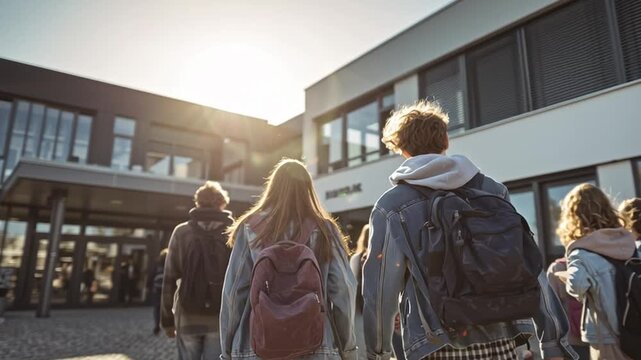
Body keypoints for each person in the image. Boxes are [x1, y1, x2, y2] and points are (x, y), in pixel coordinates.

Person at [363, 100, 576, 360]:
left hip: (437, 342)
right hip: (503, 335)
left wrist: (379, 352)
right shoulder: (492, 190)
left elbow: (381, 288)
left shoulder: (392, 205)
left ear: (403, 149)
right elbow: (530, 266)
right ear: (445, 142)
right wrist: (553, 341)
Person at [220, 159, 357, 360]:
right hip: (316, 345)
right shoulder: (326, 229)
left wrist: (227, 350)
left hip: (257, 346)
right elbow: (344, 290)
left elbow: (233, 294)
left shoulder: (249, 227)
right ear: (308, 189)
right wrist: (348, 349)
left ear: (272, 187)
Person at [557, 184, 637, 359]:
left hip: (607, 336)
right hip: (635, 327)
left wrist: (566, 276)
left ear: (573, 216)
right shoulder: (628, 243)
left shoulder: (581, 253)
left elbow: (577, 287)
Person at [161, 181, 234, 360]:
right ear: (222, 203)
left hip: (187, 316)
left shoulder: (182, 232)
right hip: (220, 317)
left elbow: (169, 278)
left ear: (197, 202)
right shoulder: (233, 231)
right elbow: (239, 277)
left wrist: (167, 321)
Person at [149, 248, 168, 335]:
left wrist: (148, 287)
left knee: (157, 308)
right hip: (167, 290)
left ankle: (157, 325)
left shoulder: (157, 265)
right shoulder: (171, 264)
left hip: (157, 289)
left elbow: (151, 276)